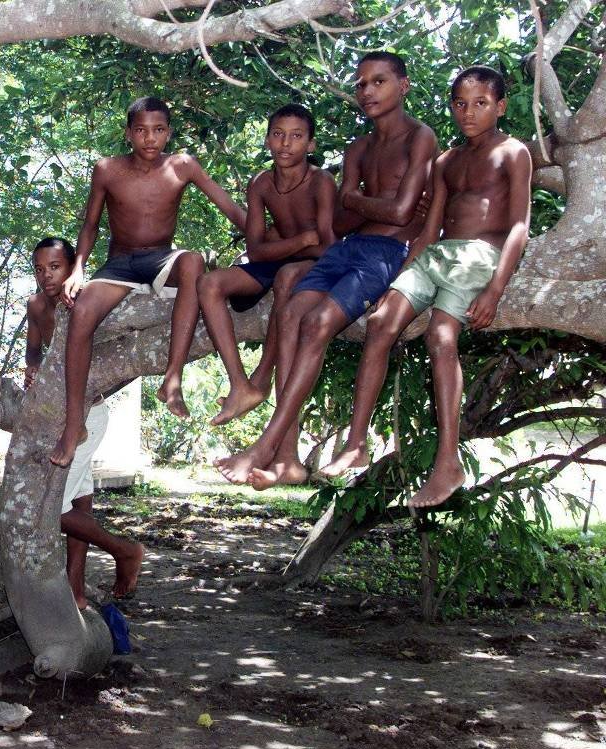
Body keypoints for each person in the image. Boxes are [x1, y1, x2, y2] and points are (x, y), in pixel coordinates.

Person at [216, 52, 437, 489]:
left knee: (318, 322)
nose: (367, 91)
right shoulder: (357, 148)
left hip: (386, 252)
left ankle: (266, 444)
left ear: (404, 86)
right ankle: (289, 459)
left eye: (379, 82)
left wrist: (363, 202)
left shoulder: (420, 138)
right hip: (347, 249)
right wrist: (374, 205)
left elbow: (401, 213)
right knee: (291, 316)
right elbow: (342, 223)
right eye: (361, 84)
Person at [319, 66, 531, 506]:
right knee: (380, 322)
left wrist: (495, 288)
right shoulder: (446, 160)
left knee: (440, 334)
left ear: (501, 107)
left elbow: (518, 226)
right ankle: (356, 441)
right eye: (459, 103)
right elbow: (430, 227)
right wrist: (400, 278)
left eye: (481, 104)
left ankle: (448, 462)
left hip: (478, 256)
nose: (468, 113)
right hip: (437, 254)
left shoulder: (513, 152)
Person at [49, 96, 247, 467]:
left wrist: (265, 240)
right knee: (81, 312)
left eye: (158, 130)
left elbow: (230, 208)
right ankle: (74, 424)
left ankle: (172, 379)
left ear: (168, 133)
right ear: (128, 133)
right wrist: (78, 268)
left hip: (161, 258)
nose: (149, 139)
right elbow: (90, 224)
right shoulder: (107, 169)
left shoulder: (183, 165)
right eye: (141, 130)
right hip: (119, 263)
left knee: (193, 261)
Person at [196, 103, 337, 426]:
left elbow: (328, 246)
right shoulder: (261, 182)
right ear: (267, 139)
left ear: (311, 144)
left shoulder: (321, 182)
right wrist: (301, 240)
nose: (286, 144)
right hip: (280, 256)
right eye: (278, 135)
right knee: (209, 283)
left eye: (296, 136)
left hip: (313, 263)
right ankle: (240, 383)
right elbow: (255, 250)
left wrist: (294, 248)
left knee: (286, 277)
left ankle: (263, 375)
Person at [26, 237, 144, 607]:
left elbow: (123, 356)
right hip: (54, 416)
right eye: (39, 269)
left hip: (85, 416)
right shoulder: (36, 305)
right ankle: (75, 588)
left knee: (52, 507)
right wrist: (32, 368)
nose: (46, 276)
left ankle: (125, 551)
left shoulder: (87, 302)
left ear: (74, 266)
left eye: (55, 267)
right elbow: (34, 349)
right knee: (79, 501)